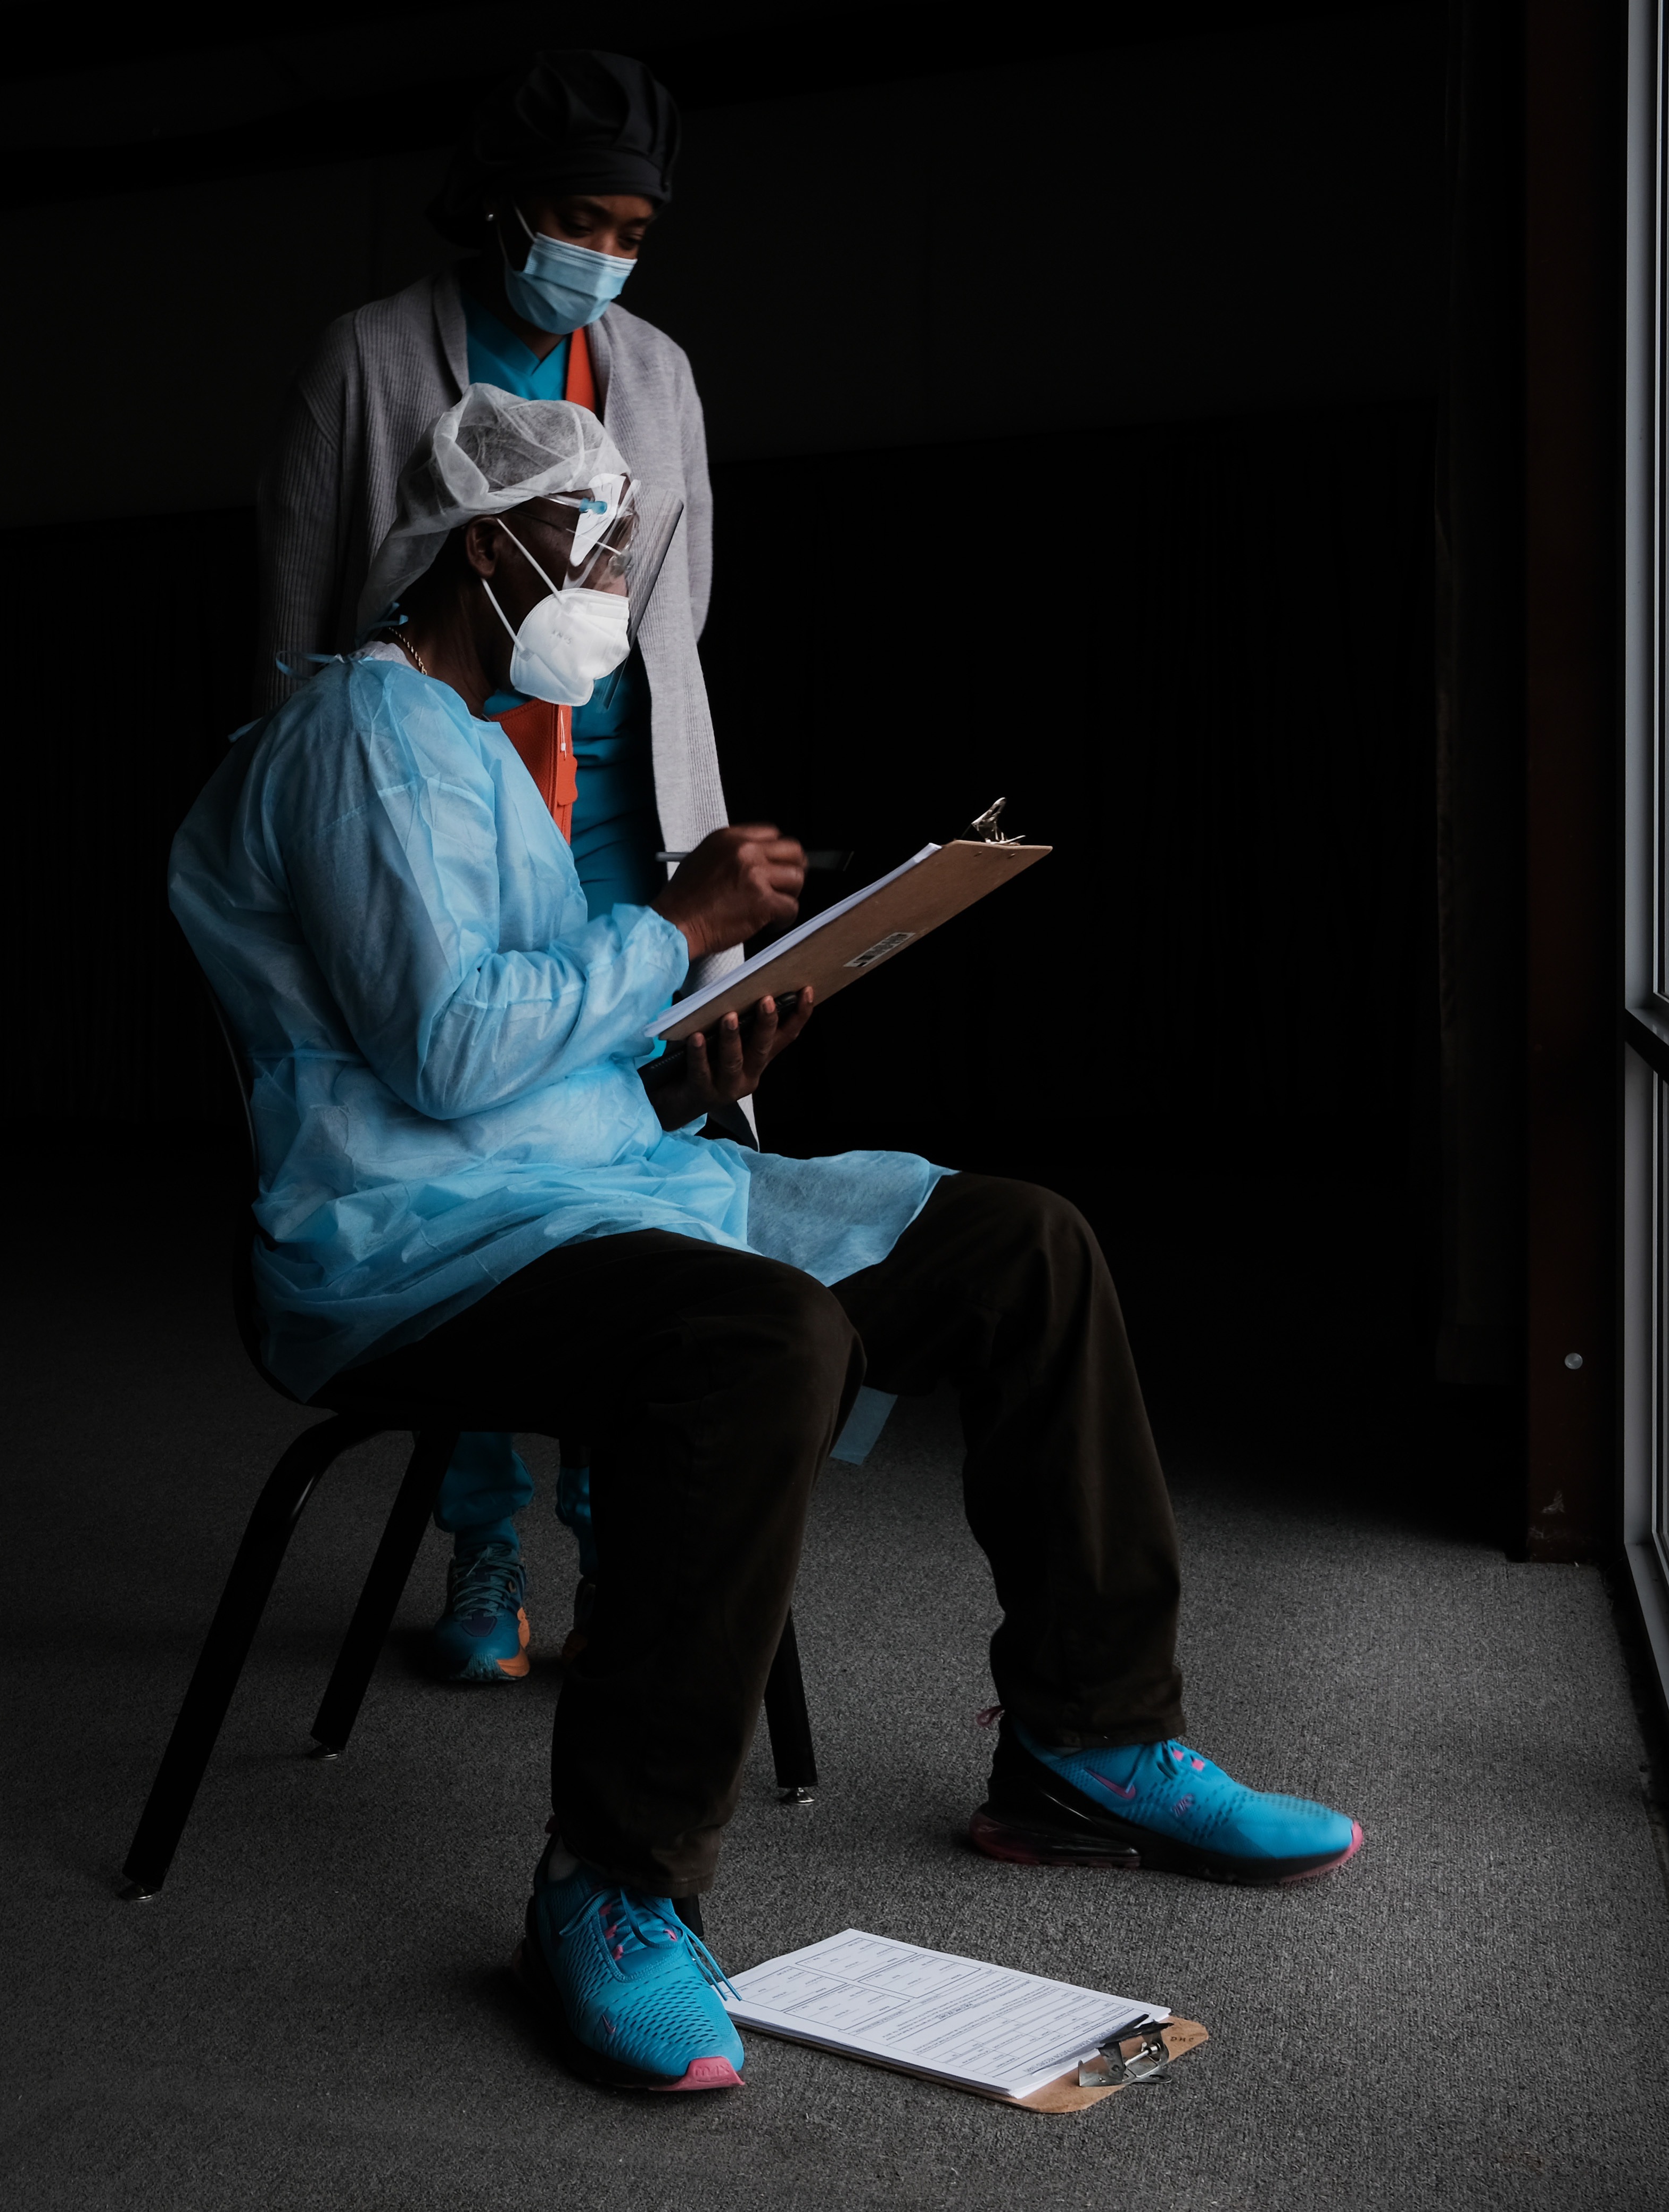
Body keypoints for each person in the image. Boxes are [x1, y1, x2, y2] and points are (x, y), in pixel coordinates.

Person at [171, 388, 1361, 2094]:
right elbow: (439, 1054)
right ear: (479, 543)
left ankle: (1086, 1739)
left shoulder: (477, 747)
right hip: (413, 1248)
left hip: (588, 1192)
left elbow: (535, 1053)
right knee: (759, 1340)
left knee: (1019, 1239)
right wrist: (672, 926)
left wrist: (694, 1054)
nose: (603, 576)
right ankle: (612, 1880)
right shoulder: (358, 727)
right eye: (585, 541)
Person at [257, 51, 720, 1684]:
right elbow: (309, 621)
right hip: (433, 810)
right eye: (577, 218)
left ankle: (611, 1537)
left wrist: (687, 915)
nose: (602, 248)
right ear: (501, 208)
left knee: (613, 1187)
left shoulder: (652, 371)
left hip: (611, 818)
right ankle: (480, 1546)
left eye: (632, 226)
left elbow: (671, 609)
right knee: (463, 1166)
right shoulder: (367, 361)